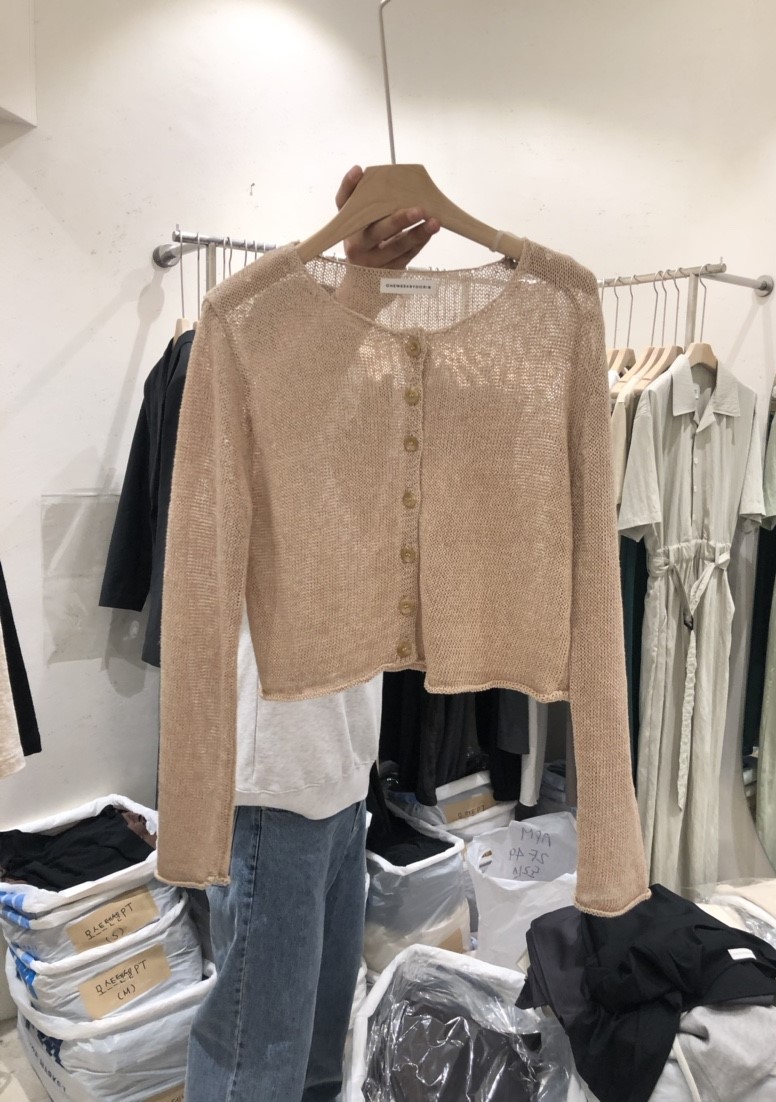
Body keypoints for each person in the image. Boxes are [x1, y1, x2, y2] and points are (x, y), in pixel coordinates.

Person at [184, 168, 440, 1102]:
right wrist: (347, 270)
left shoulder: (373, 412)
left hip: (341, 769)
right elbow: (299, 388)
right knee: (258, 1050)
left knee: (322, 1046)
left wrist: (363, 286)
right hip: (275, 780)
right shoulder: (248, 377)